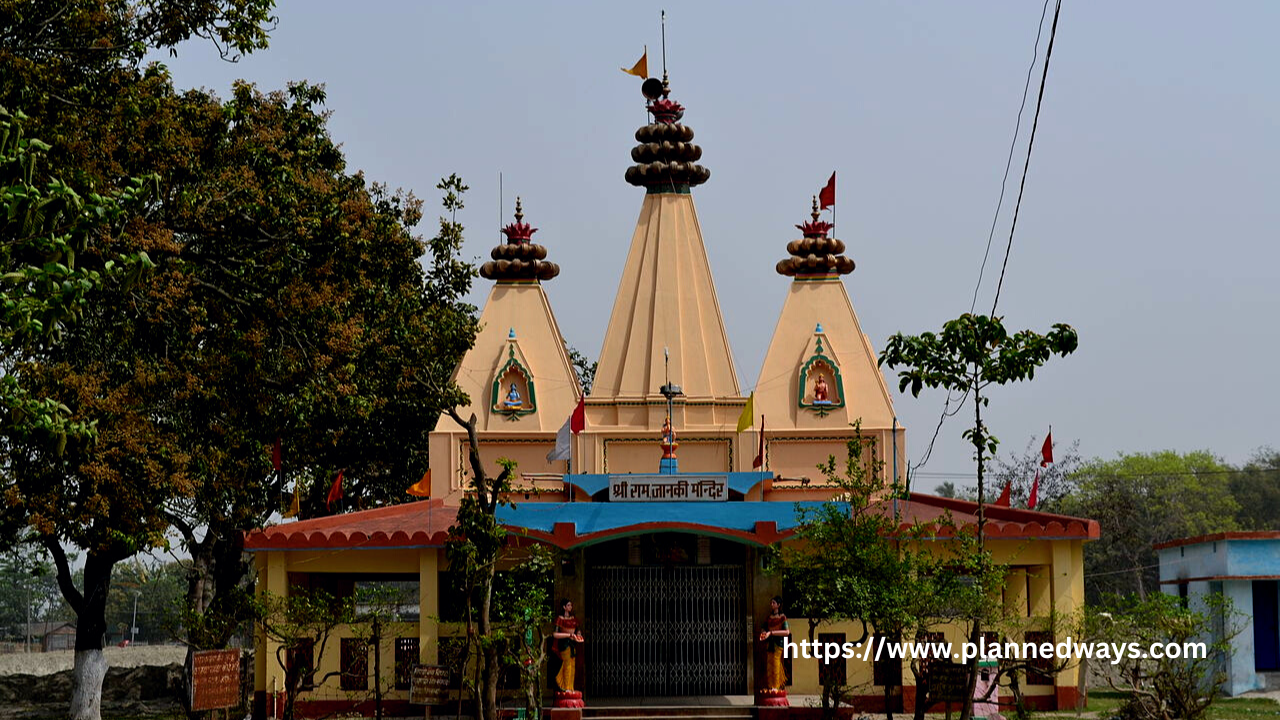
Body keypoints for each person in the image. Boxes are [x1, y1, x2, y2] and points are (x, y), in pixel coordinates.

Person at [758, 596, 790, 690]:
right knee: (769, 665)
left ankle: (776, 686)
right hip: (769, 643)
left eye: (774, 603)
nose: (772, 605)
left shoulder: (782, 617)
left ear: (778, 605)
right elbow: (764, 627)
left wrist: (771, 633)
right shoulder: (769, 617)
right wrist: (764, 632)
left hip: (778, 643)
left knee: (776, 664)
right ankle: (770, 686)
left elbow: (787, 632)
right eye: (771, 603)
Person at [553, 598, 585, 692]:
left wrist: (578, 634)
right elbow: (555, 634)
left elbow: (578, 629)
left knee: (572, 665)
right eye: (568, 605)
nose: (570, 607)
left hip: (572, 643)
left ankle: (571, 687)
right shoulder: (560, 619)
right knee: (567, 665)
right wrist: (569, 635)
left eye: (571, 605)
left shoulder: (573, 618)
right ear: (564, 607)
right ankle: (565, 687)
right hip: (564, 644)